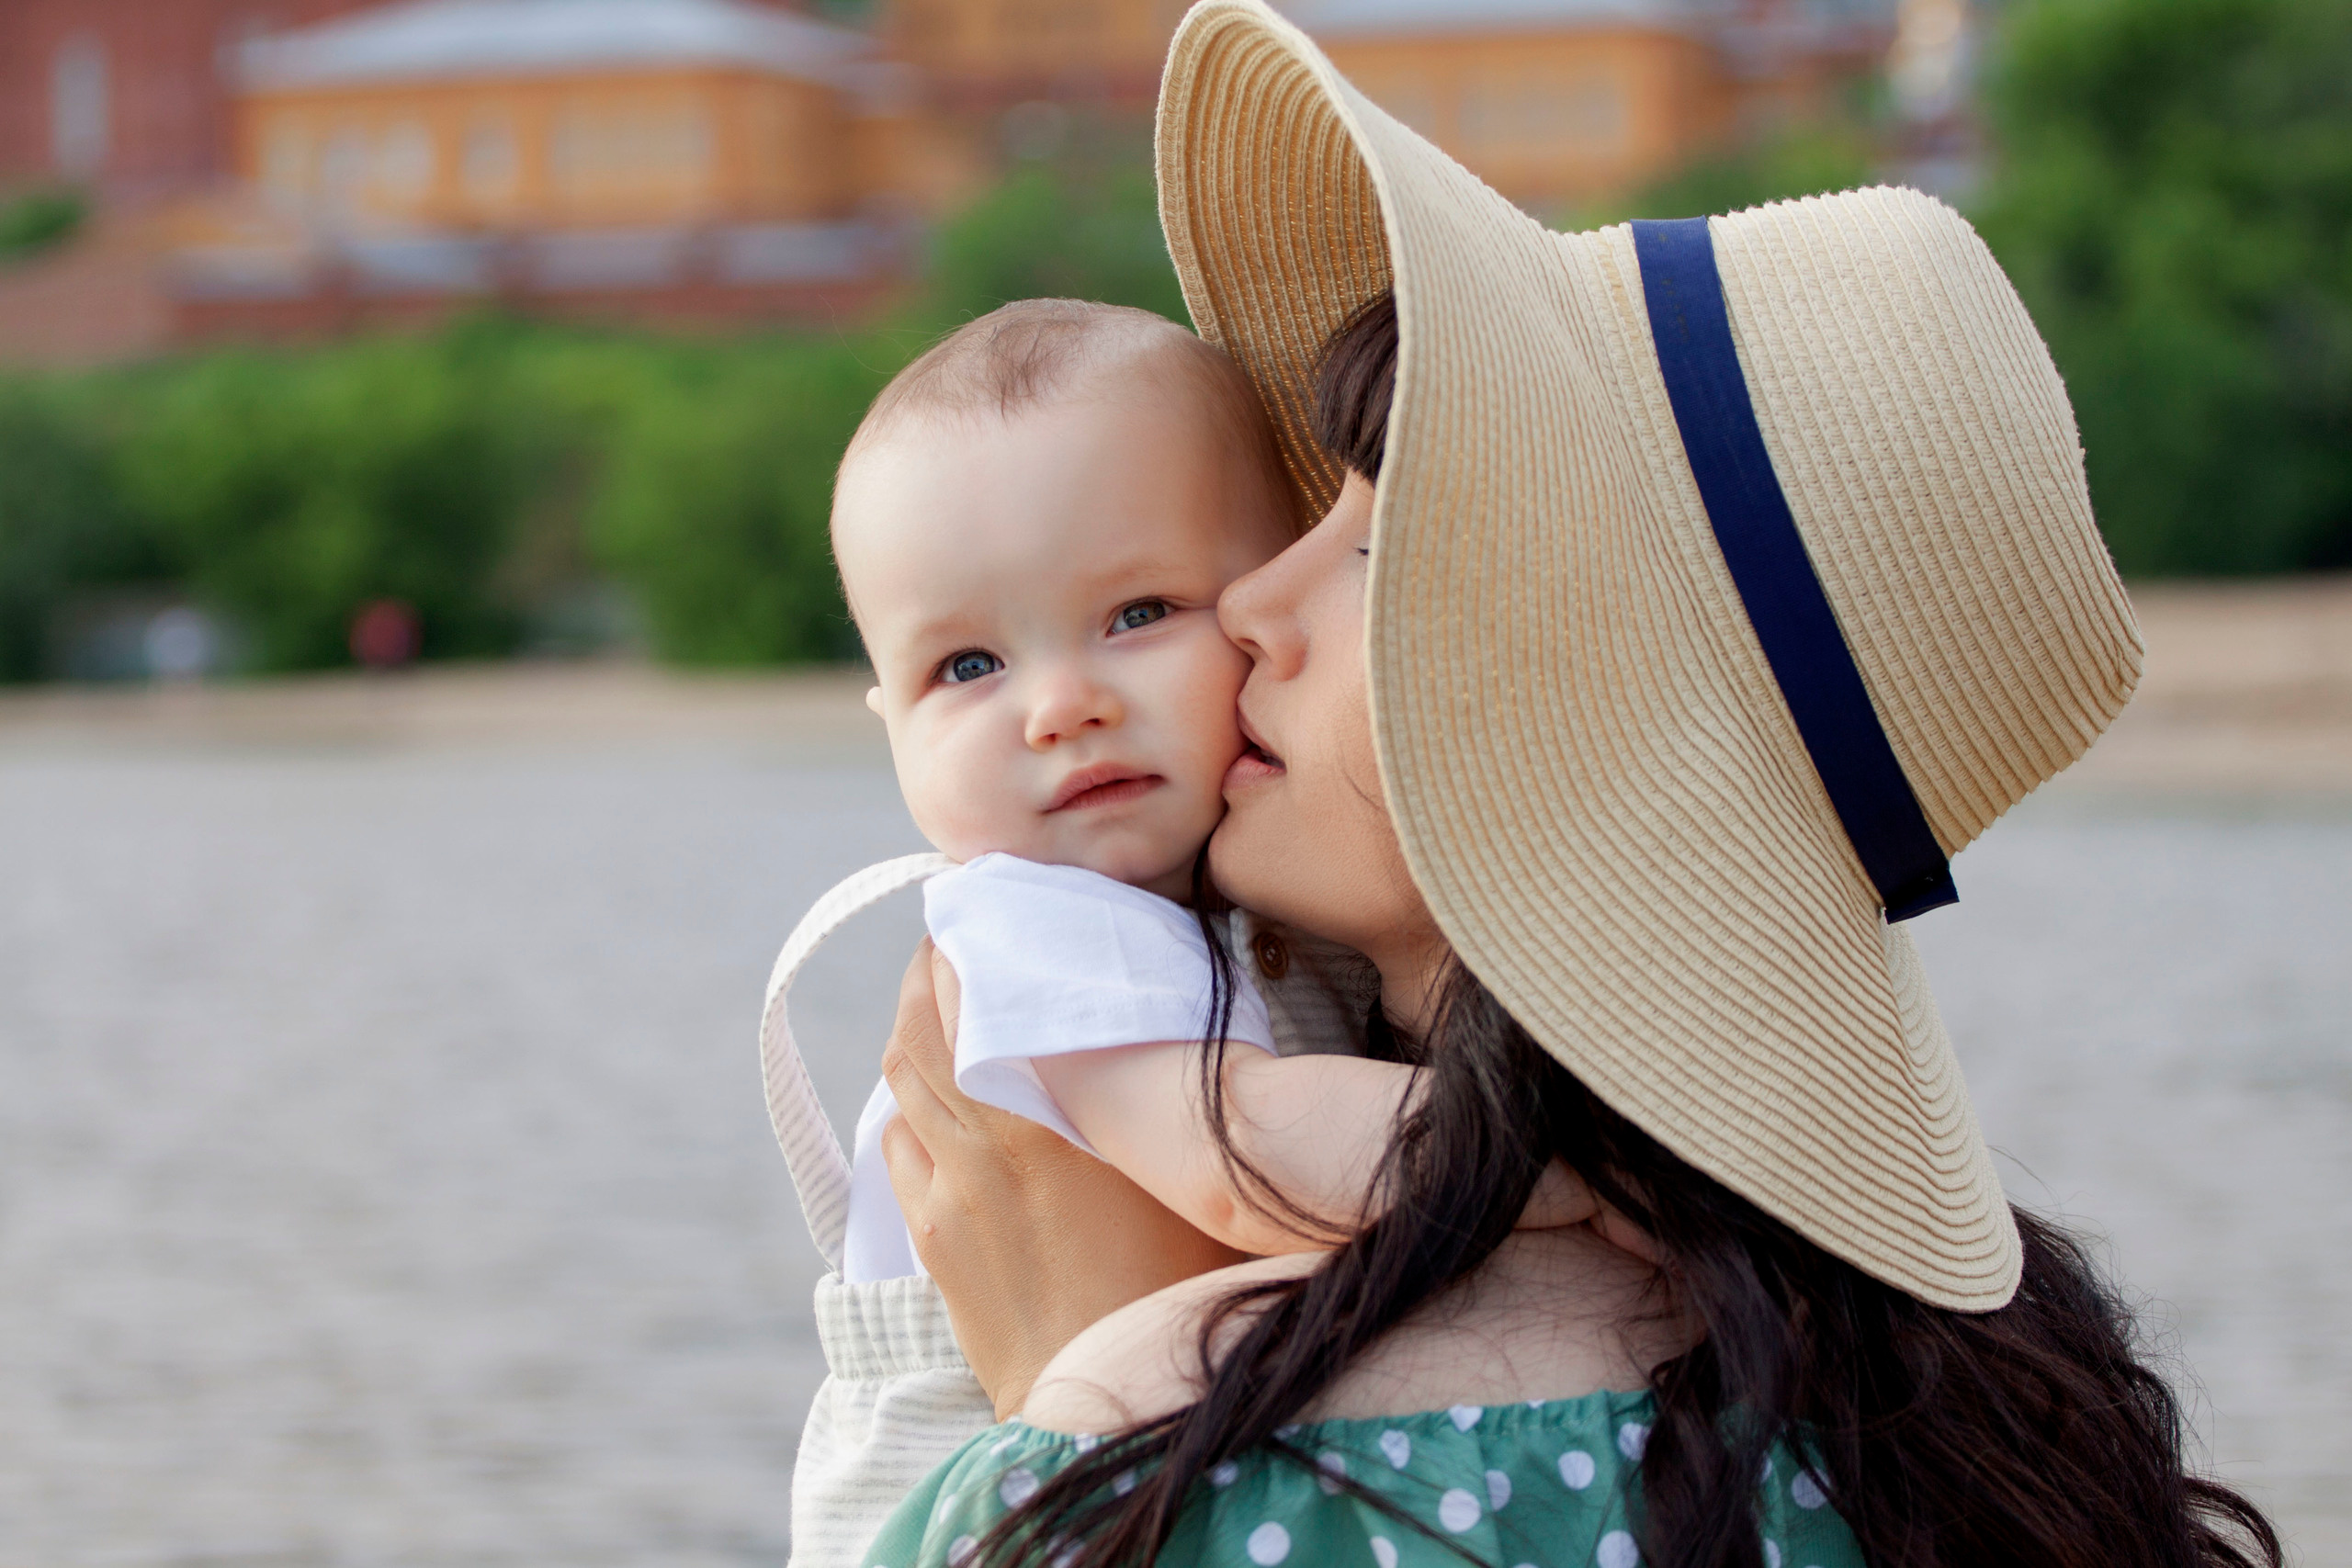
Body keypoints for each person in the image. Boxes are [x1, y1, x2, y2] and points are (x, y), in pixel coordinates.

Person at [856, 5, 2286, 1567]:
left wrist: (1088, 1441)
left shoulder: (1185, 1443)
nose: (1256, 596)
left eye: (1378, 550)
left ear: (1582, 729)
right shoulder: (1997, 1408)